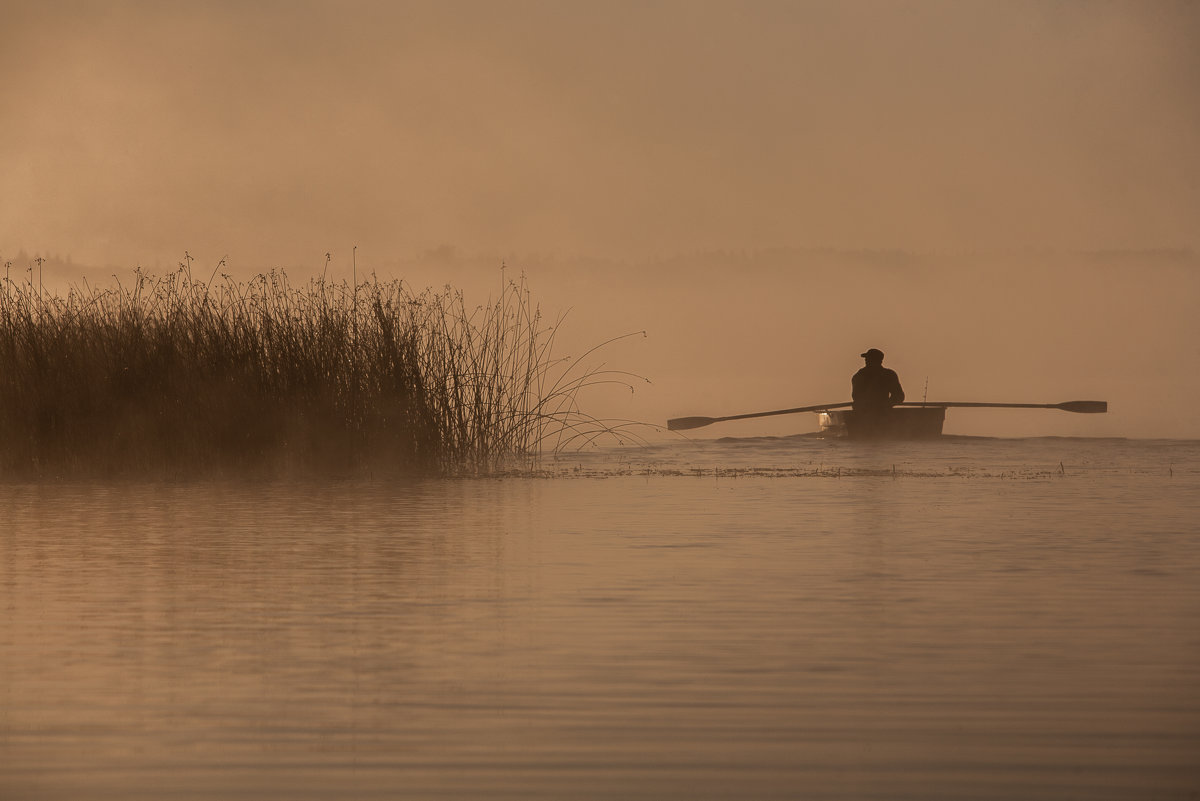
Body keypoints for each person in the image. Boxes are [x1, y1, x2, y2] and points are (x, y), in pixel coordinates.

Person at [852, 349, 904, 421]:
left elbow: (899, 396)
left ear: (879, 361)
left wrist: (886, 405)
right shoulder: (859, 375)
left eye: (869, 359)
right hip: (866, 416)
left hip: (880, 417)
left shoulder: (888, 375)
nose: (866, 360)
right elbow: (856, 396)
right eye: (867, 359)